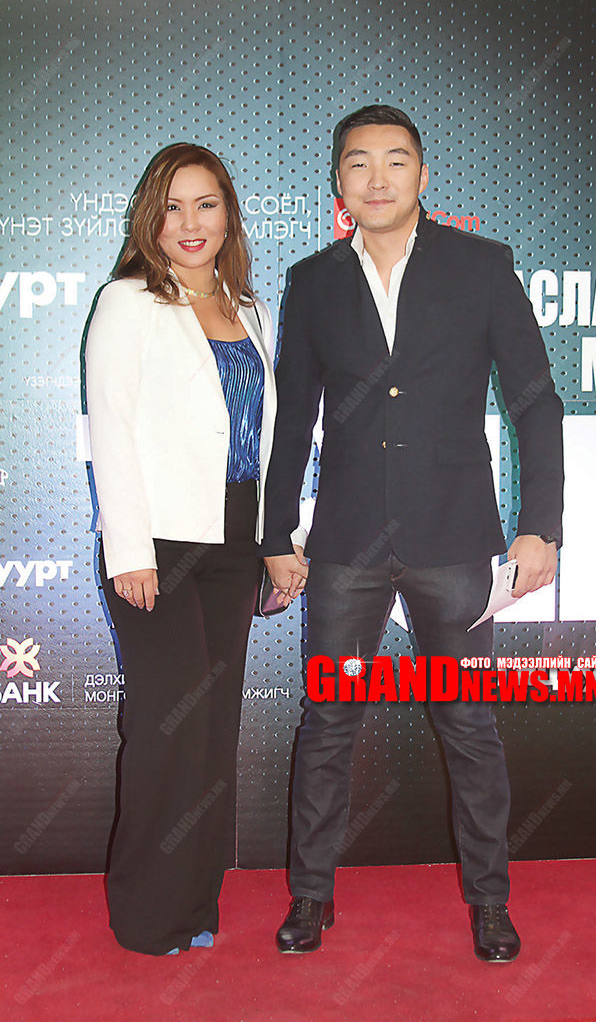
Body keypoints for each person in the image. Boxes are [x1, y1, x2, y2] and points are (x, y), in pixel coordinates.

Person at [262, 105, 564, 962]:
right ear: (339, 182)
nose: (378, 178)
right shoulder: (312, 282)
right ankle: (311, 896)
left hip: (455, 539)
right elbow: (292, 421)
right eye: (359, 163)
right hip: (346, 543)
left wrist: (541, 526)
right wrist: (278, 533)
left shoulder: (481, 265)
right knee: (329, 719)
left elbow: (536, 401)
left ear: (423, 176)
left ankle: (491, 903)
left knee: (468, 723)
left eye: (396, 161)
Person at [85, 143, 306, 956]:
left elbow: (271, 439)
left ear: (228, 216)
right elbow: (111, 430)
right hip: (159, 545)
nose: (190, 222)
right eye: (173, 206)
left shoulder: (251, 310)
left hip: (237, 541)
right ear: (150, 217)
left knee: (211, 728)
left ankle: (194, 905)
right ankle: (146, 914)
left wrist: (281, 541)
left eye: (205, 204)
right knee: (165, 729)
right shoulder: (127, 302)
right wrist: (130, 550)